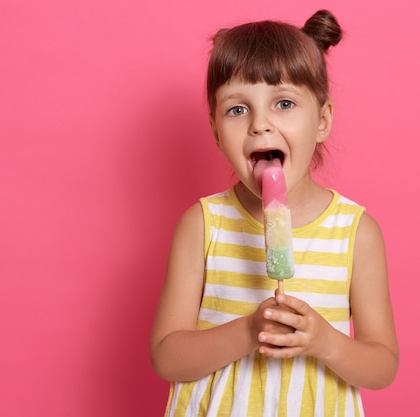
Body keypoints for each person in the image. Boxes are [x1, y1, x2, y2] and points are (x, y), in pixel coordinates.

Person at [150, 9, 399, 416]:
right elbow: (166, 357)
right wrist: (249, 331)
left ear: (322, 121)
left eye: (283, 103)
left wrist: (326, 341)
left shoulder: (356, 232)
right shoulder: (201, 226)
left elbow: (382, 366)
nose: (260, 124)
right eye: (237, 109)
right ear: (215, 130)